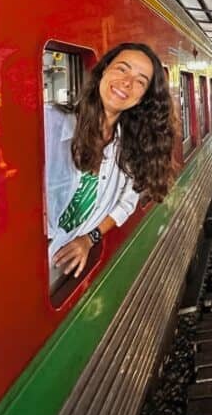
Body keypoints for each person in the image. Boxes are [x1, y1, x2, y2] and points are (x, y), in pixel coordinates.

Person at [46, 42, 175, 278]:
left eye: (140, 81)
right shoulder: (49, 124)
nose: (127, 82)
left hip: (58, 275)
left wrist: (91, 238)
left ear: (142, 98)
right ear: (104, 70)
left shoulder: (131, 146)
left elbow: (127, 202)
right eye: (122, 69)